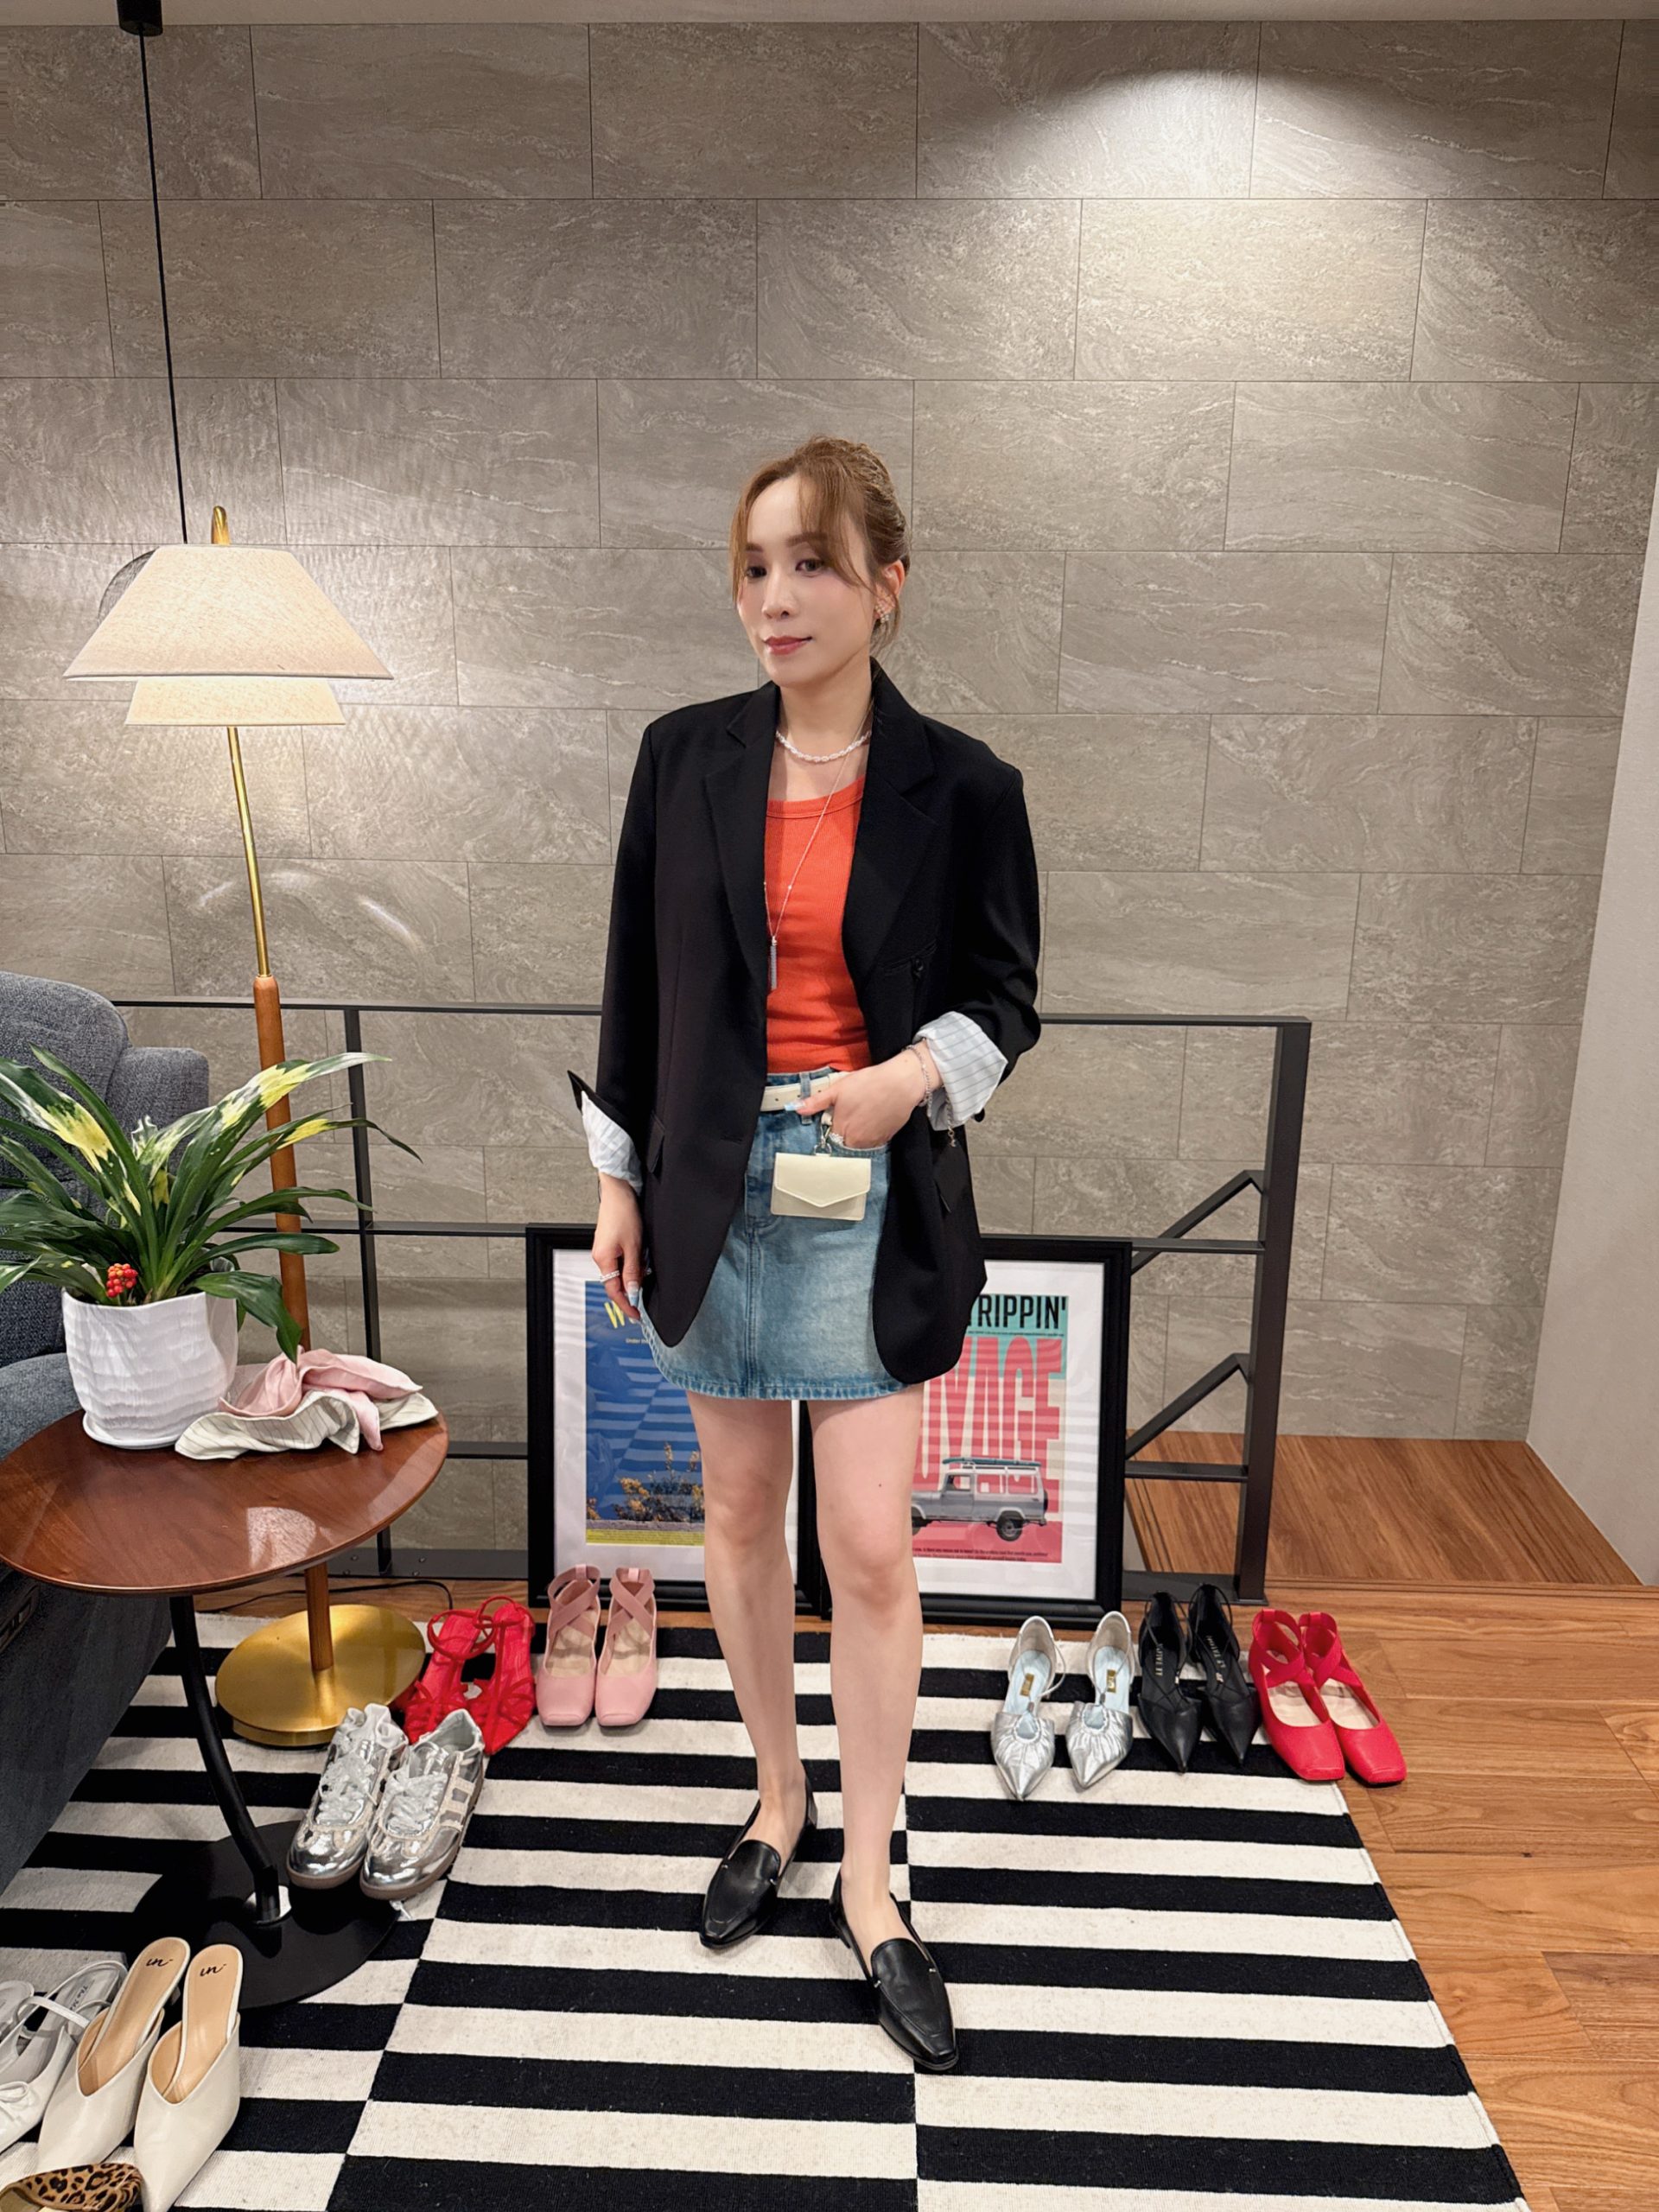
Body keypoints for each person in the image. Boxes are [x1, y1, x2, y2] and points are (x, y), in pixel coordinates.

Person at [575, 434, 1041, 2069]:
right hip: (707, 1181)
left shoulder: (967, 785)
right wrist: (618, 1181)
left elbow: (1004, 999)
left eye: (814, 565)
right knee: (735, 1517)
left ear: (886, 587)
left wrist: (908, 1078)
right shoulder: (680, 758)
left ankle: (869, 1878)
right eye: (756, 568)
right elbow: (636, 985)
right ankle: (775, 1801)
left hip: (868, 1186)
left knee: (868, 1548)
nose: (776, 598)